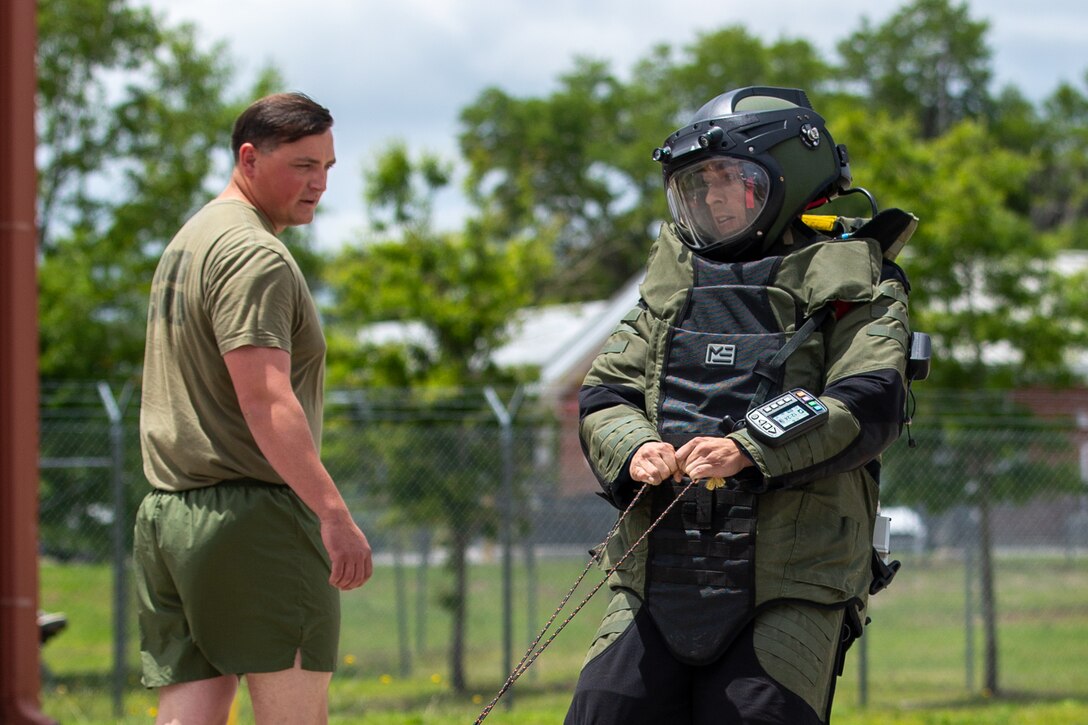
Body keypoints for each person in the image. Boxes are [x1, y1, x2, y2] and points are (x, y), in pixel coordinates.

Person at [565, 86, 919, 724]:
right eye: (696, 186)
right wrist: (636, 448)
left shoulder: (858, 281)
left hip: (792, 580)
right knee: (602, 712)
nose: (712, 198)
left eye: (729, 180)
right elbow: (605, 391)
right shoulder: (671, 283)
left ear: (789, 176)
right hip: (654, 572)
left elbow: (868, 398)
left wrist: (746, 450)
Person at [134, 92, 373, 725]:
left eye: (327, 167)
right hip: (253, 516)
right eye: (302, 165)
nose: (318, 183)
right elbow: (267, 397)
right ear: (249, 157)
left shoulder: (191, 240)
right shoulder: (255, 255)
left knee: (190, 711)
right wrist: (332, 513)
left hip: (169, 514)